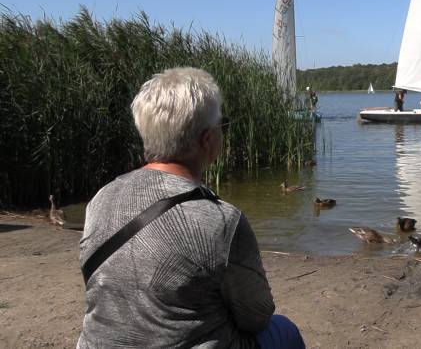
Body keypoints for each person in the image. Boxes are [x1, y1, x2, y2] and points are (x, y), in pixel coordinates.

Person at [78, 67, 305, 349]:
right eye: (224, 125)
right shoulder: (221, 220)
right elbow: (257, 316)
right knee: (285, 330)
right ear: (208, 140)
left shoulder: (102, 197)